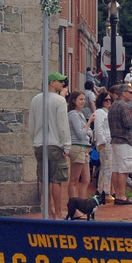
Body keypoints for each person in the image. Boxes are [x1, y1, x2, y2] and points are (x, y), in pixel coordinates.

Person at [28, 72, 72, 218]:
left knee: (44, 180)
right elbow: (62, 125)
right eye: (60, 82)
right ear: (52, 83)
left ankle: (47, 212)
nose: (63, 84)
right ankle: (58, 214)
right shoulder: (59, 101)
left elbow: (31, 125)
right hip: (55, 144)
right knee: (56, 180)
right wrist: (66, 146)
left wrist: (34, 141)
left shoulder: (35, 100)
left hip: (39, 144)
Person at [108, 82, 132, 205]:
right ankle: (121, 196)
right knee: (124, 170)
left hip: (115, 140)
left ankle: (118, 194)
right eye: (130, 92)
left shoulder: (114, 105)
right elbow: (128, 124)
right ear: (123, 93)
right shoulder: (124, 106)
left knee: (116, 169)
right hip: (124, 140)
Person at [66, 91, 94, 201]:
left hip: (84, 148)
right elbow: (81, 134)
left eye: (84, 99)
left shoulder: (80, 114)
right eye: (80, 99)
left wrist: (87, 129)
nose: (83, 102)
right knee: (74, 179)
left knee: (86, 179)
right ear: (74, 101)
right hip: (77, 147)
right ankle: (73, 205)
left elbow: (90, 132)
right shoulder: (73, 114)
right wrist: (89, 123)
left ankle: (82, 204)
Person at [93, 91, 113, 203]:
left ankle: (101, 190)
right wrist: (102, 141)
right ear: (101, 101)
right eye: (106, 100)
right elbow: (98, 128)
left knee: (106, 168)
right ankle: (105, 192)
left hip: (109, 142)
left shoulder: (106, 112)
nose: (108, 102)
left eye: (110, 99)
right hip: (104, 143)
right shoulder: (100, 112)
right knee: (107, 168)